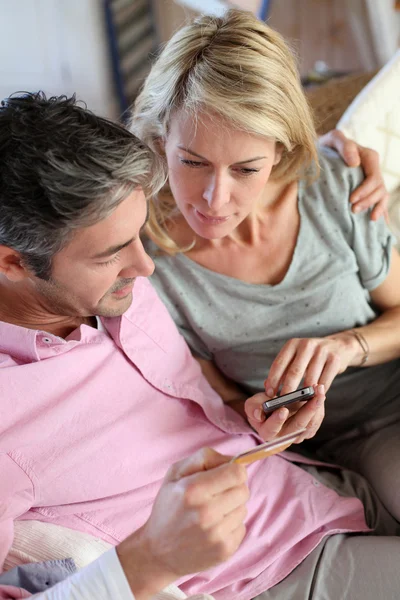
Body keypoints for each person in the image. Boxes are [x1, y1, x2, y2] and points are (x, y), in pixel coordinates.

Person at [1, 92, 400, 600]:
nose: (146, 269)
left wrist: (315, 154)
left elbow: (214, 106)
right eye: (110, 254)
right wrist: (149, 560)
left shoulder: (105, 273)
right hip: (271, 573)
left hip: (326, 490)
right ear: (12, 263)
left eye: (138, 234)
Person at [131, 9, 400, 522]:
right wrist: (252, 415)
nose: (215, 198)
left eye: (245, 168)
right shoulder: (152, 261)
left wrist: (346, 347)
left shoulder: (332, 189)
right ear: (160, 137)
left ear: (278, 152)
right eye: (192, 161)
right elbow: (218, 396)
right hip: (318, 449)